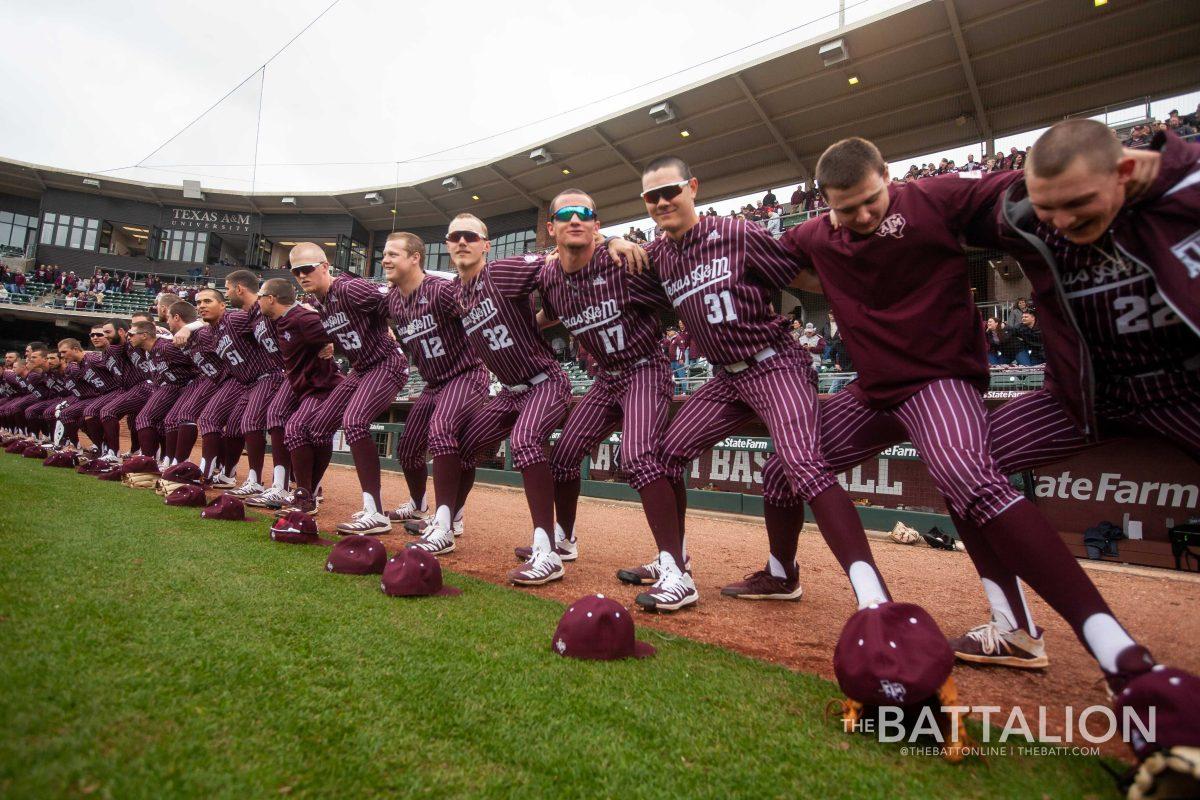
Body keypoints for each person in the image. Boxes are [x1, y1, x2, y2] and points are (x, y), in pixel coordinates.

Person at [948, 119, 1200, 674]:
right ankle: (1014, 629)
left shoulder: (1189, 195)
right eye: (1047, 210)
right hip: (1083, 396)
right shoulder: (1028, 215)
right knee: (960, 466)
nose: (1060, 223)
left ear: (1126, 170)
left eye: (1078, 205)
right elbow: (928, 204)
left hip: (1184, 390)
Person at [632, 154, 889, 608]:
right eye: (651, 196)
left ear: (692, 187)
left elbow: (803, 277)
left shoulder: (736, 232)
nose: (662, 201)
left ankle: (875, 600)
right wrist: (614, 242)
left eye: (670, 190)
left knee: (802, 466)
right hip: (725, 379)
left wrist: (868, 298)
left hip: (774, 365)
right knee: (666, 455)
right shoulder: (660, 255)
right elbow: (618, 259)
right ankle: (675, 562)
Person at [528, 188, 691, 612]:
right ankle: (563, 543)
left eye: (586, 213)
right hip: (604, 379)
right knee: (562, 456)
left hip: (644, 367)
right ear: (552, 228)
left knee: (638, 457)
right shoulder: (548, 277)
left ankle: (676, 570)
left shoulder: (621, 260)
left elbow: (676, 267)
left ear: (597, 225)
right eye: (565, 214)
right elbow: (549, 314)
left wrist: (620, 241)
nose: (576, 219)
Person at [286, 243, 409, 534]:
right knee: (317, 426)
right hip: (362, 368)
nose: (303, 275)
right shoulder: (318, 303)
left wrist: (391, 326)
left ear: (325, 266)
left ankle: (375, 512)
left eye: (308, 268)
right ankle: (309, 494)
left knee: (354, 422)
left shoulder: (348, 289)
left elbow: (394, 299)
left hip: (386, 361)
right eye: (297, 271)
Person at [382, 231, 489, 546]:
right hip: (432, 383)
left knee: (444, 433)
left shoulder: (442, 290)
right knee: (408, 449)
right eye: (384, 254)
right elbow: (362, 310)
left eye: (393, 254)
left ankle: (446, 522)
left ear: (415, 257)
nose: (385, 259)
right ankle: (419, 505)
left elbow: (480, 306)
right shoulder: (391, 299)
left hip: (466, 375)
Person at [255, 277, 342, 516]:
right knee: (305, 430)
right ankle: (308, 492)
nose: (258, 301)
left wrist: (333, 343)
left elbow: (340, 328)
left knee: (295, 428)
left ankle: (305, 495)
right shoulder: (283, 319)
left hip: (324, 386)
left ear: (271, 299)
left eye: (261, 296)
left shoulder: (302, 318)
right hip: (307, 388)